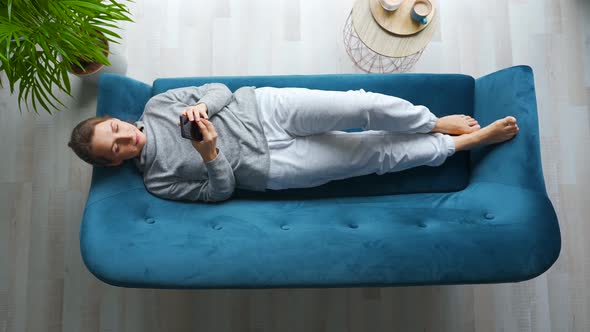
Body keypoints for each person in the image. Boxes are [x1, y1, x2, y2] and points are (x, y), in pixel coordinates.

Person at [68, 84, 519, 203]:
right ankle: (460, 146)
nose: (126, 139)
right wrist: (210, 156)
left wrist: (203, 106)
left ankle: (432, 123)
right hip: (274, 167)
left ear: (114, 120)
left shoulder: (158, 103)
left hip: (266, 109)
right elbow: (220, 193)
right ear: (115, 163)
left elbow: (220, 88)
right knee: (373, 156)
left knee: (359, 106)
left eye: (116, 131)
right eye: (116, 149)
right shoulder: (158, 182)